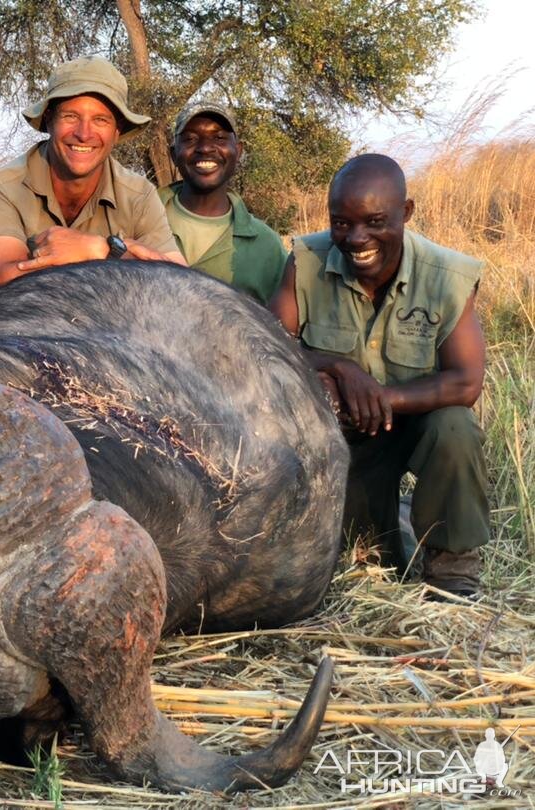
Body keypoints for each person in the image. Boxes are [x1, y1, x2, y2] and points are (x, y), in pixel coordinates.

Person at [269, 153, 489, 598]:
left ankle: (452, 573)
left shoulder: (447, 276)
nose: (356, 238)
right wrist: (338, 368)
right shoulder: (306, 261)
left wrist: (382, 399)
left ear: (405, 213)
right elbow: (266, 346)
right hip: (340, 439)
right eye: (341, 223)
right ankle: (395, 526)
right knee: (363, 554)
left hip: (407, 429)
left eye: (374, 221)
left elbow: (466, 382)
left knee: (455, 426)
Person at [0, 56, 185, 286]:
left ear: (117, 132)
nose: (84, 134)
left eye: (100, 120)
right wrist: (127, 255)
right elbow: (10, 279)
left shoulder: (139, 193)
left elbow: (178, 281)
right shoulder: (2, 187)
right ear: (48, 122)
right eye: (71, 116)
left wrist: (101, 248)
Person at [159, 102, 286, 305]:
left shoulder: (266, 246)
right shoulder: (140, 218)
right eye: (190, 139)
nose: (205, 148)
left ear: (238, 151)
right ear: (174, 154)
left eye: (219, 138)